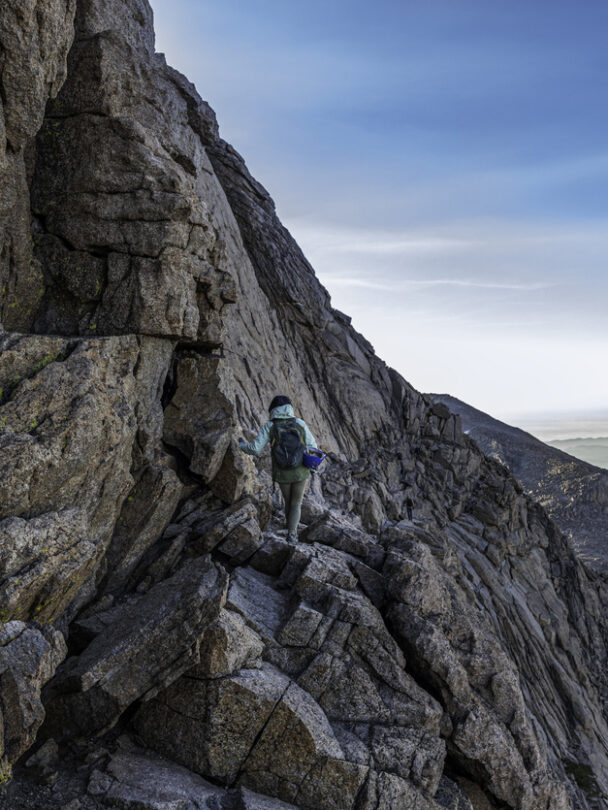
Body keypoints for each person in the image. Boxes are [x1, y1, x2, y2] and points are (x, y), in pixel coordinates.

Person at [238, 395, 316, 543]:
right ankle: (292, 534)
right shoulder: (299, 423)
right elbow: (313, 447)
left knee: (288, 502)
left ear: (273, 409)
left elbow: (255, 449)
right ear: (290, 408)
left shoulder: (270, 426)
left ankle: (289, 528)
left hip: (282, 471)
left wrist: (241, 445)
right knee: (296, 503)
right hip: (301, 470)